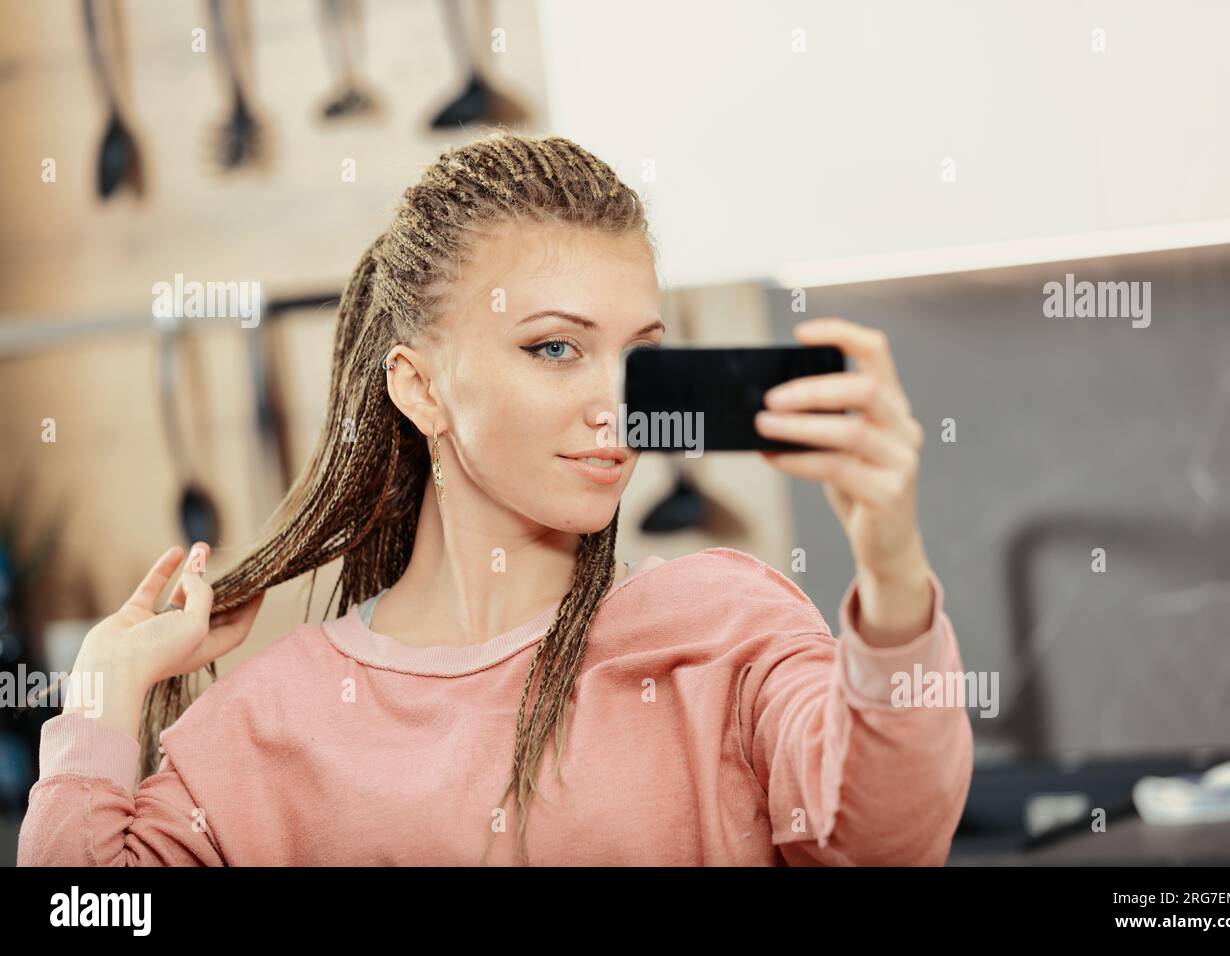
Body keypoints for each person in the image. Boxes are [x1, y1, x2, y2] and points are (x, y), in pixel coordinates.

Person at [17, 130, 972, 866]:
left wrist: (891, 570)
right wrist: (104, 689)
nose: (615, 406)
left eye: (638, 355)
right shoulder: (259, 730)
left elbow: (885, 840)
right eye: (555, 348)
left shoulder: (728, 627)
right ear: (419, 387)